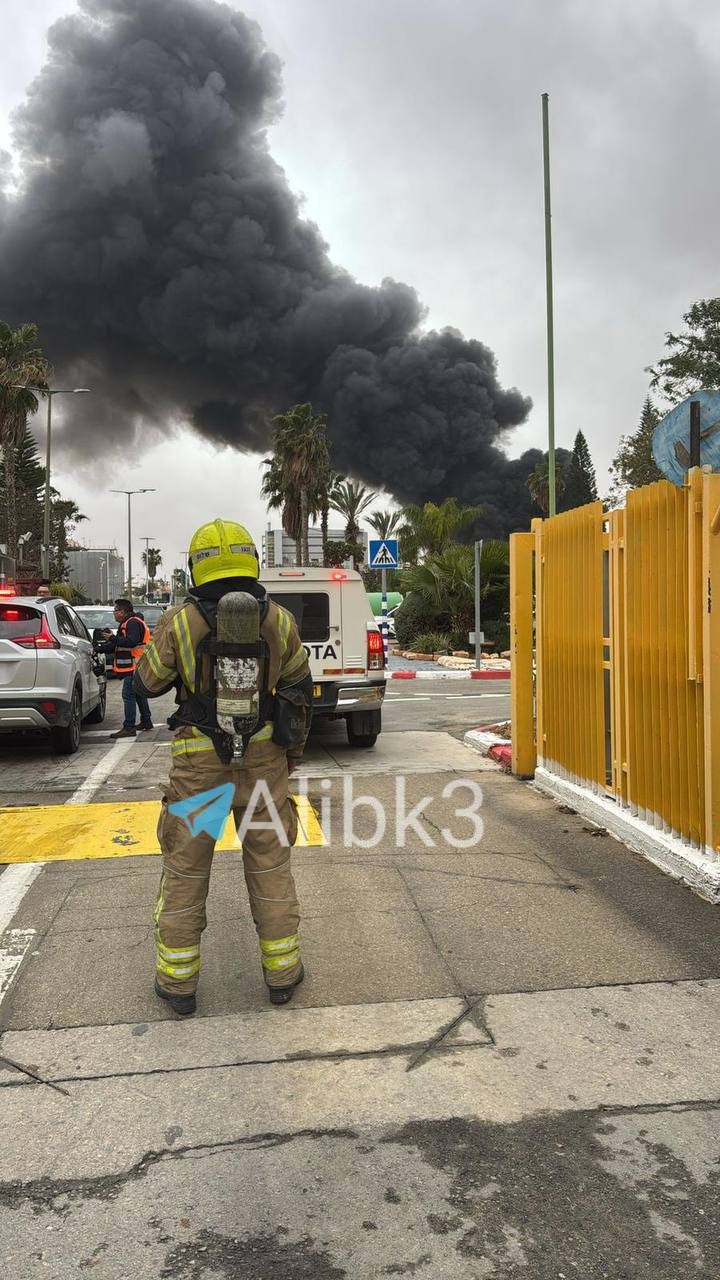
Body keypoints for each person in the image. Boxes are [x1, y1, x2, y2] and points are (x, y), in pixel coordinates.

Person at [133, 519, 313, 1016]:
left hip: (198, 767)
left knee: (186, 871)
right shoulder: (279, 621)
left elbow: (146, 683)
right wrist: (291, 757)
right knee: (271, 867)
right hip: (265, 763)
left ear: (197, 568)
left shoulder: (180, 621)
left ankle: (178, 984)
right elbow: (300, 693)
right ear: (252, 562)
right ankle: (282, 974)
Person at [97, 598, 153, 737]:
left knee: (128, 695)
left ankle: (129, 727)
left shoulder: (132, 623)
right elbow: (117, 645)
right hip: (136, 665)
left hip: (133, 665)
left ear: (122, 611)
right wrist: (99, 648)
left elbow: (131, 642)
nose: (114, 613)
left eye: (115, 610)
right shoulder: (129, 622)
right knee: (138, 694)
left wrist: (112, 638)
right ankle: (146, 721)